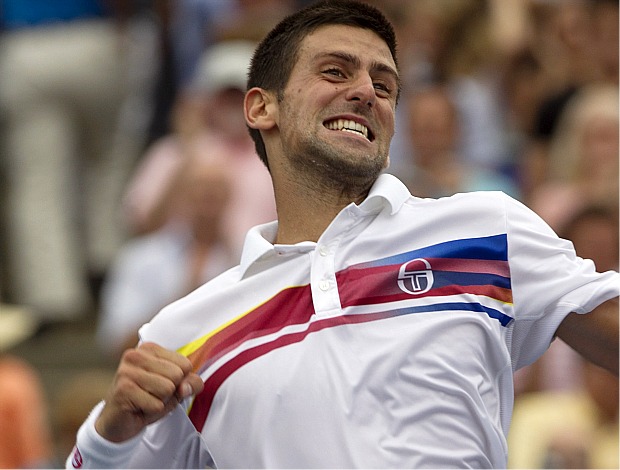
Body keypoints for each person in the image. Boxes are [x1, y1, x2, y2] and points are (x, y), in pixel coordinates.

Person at [66, 1, 619, 468]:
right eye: (335, 72)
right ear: (261, 107)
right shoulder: (182, 332)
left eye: (384, 84)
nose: (366, 92)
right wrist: (108, 432)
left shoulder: (485, 227)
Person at [97, 154, 237, 360]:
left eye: (217, 187)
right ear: (181, 195)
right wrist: (185, 299)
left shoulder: (245, 256)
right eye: (200, 186)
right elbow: (117, 341)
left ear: (230, 196)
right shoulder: (141, 257)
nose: (209, 194)